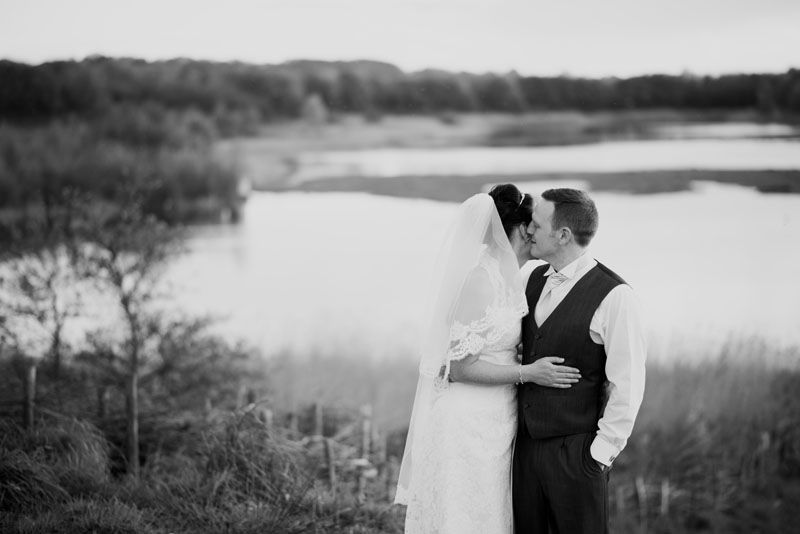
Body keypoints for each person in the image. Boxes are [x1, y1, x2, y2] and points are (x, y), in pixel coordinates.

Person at [395, 184, 581, 534]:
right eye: (538, 225)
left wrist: (518, 354)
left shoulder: (514, 277)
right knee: (464, 517)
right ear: (524, 229)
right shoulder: (481, 281)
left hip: (496, 420)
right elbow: (458, 368)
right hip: (466, 423)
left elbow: (493, 343)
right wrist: (527, 371)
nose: (542, 233)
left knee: (489, 517)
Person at [513, 188, 647, 533]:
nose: (528, 229)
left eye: (537, 223)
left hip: (576, 454)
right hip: (524, 453)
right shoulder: (529, 278)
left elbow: (627, 384)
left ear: (563, 235)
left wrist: (599, 455)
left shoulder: (616, 297)